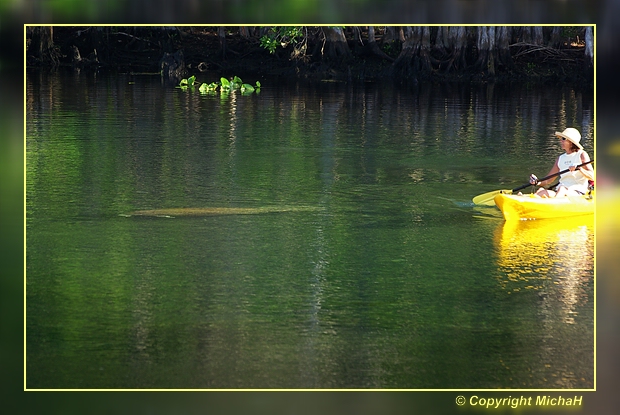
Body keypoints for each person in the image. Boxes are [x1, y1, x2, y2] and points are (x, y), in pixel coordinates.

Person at [528, 128, 594, 198]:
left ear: (571, 142)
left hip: (578, 192)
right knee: (541, 191)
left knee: (562, 189)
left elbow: (592, 177)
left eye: (563, 138)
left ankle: (554, 205)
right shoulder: (560, 158)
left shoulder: (581, 154)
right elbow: (548, 180)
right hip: (560, 191)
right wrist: (537, 182)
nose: (560, 140)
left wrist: (580, 169)